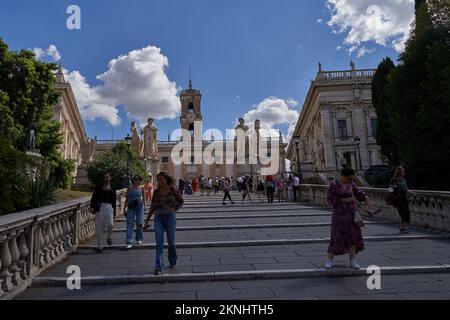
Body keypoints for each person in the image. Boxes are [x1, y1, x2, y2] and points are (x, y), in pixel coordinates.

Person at [324, 168, 370, 270]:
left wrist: (365, 197)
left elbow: (358, 192)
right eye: (349, 177)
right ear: (343, 175)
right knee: (336, 237)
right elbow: (330, 199)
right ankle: (329, 260)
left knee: (352, 237)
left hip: (351, 214)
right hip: (339, 215)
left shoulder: (351, 184)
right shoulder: (334, 185)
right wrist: (344, 200)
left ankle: (353, 260)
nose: (351, 180)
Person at [145, 172, 184, 275]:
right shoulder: (156, 192)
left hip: (170, 217)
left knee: (171, 241)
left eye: (161, 179)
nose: (160, 181)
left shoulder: (173, 190)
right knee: (159, 242)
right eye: (158, 179)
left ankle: (172, 260)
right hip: (158, 218)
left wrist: (174, 210)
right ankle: (159, 266)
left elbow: (180, 201)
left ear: (166, 179)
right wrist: (147, 219)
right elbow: (153, 206)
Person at [90, 173, 116, 253]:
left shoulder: (112, 189)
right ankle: (100, 246)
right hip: (100, 207)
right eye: (104, 177)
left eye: (107, 177)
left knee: (110, 224)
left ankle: (108, 237)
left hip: (109, 207)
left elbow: (114, 201)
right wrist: (92, 207)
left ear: (110, 178)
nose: (105, 179)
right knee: (99, 228)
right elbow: (93, 198)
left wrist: (114, 212)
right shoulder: (98, 188)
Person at [390, 167, 415, 233]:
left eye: (404, 171)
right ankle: (403, 226)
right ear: (399, 172)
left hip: (404, 197)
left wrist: (412, 192)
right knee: (402, 212)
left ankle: (403, 226)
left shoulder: (404, 180)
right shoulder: (394, 180)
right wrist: (394, 188)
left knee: (406, 212)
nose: (404, 173)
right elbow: (390, 189)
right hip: (398, 198)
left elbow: (406, 189)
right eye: (403, 171)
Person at [124, 175, 146, 249]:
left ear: (140, 180)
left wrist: (145, 206)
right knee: (130, 223)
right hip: (131, 207)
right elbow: (127, 198)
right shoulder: (130, 188)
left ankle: (139, 238)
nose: (136, 180)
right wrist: (124, 207)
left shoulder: (142, 188)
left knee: (139, 223)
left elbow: (144, 198)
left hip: (140, 206)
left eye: (138, 179)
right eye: (135, 179)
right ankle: (129, 241)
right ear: (133, 180)